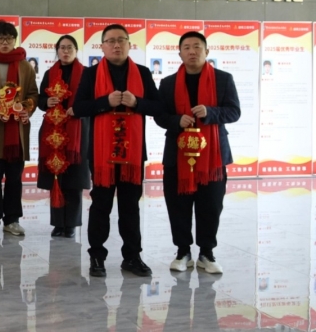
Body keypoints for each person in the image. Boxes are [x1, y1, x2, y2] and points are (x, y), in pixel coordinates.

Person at [73, 24, 163, 278]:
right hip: (102, 153)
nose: (116, 45)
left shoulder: (142, 73)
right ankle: (97, 256)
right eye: (110, 41)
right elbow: (78, 108)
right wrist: (105, 102)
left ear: (129, 44)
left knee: (130, 206)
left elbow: (158, 107)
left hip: (132, 152)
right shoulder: (91, 74)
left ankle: (132, 257)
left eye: (121, 40)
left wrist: (137, 103)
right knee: (101, 204)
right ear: (102, 46)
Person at [154, 31, 240, 275]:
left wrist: (211, 112)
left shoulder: (223, 79)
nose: (192, 51)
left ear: (206, 51)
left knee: (210, 205)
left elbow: (234, 112)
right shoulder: (168, 83)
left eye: (197, 47)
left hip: (213, 156)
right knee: (178, 205)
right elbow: (160, 116)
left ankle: (206, 253)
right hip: (177, 154)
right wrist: (176, 120)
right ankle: (183, 252)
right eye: (187, 47)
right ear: (179, 53)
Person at [0, 19, 38, 237]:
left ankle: (12, 220)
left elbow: (33, 94)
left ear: (15, 40)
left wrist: (26, 108)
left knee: (15, 179)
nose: (5, 42)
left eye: (9, 38)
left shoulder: (25, 66)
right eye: (0, 38)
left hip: (16, 132)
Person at [36, 34, 90, 239]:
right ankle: (58, 224)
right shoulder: (49, 73)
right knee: (56, 176)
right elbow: (40, 99)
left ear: (76, 51)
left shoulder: (86, 73)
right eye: (62, 48)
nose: (66, 51)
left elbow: (92, 100)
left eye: (70, 48)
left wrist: (79, 108)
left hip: (77, 130)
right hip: (53, 131)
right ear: (57, 51)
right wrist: (46, 102)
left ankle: (72, 224)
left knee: (74, 179)